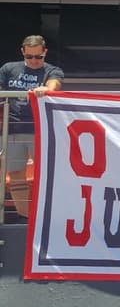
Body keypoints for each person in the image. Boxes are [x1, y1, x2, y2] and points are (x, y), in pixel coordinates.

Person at [0, 35, 64, 219]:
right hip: (12, 129)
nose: (34, 61)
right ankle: (25, 217)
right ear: (23, 52)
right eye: (30, 57)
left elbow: (55, 84)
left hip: (41, 130)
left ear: (45, 53)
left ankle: (49, 216)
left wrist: (46, 89)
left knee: (48, 172)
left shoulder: (52, 70)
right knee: (16, 173)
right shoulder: (9, 68)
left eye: (38, 57)